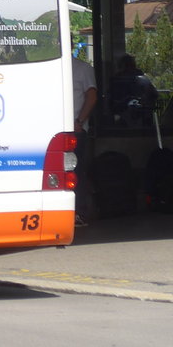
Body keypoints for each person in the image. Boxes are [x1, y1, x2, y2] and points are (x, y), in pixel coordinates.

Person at [70, 58, 98, 226]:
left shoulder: (82, 68)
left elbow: (92, 96)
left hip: (76, 130)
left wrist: (80, 121)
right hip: (55, 129)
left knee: (76, 172)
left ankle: (79, 213)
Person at [108, 54, 158, 129]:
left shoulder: (140, 78)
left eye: (131, 65)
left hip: (141, 118)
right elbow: (111, 100)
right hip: (123, 116)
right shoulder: (117, 80)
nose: (130, 69)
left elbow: (153, 93)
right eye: (128, 65)